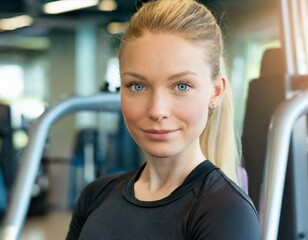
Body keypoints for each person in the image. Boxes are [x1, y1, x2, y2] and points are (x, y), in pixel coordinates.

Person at [66, 0, 262, 239]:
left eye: (182, 86)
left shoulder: (226, 212)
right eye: (137, 86)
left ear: (216, 91)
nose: (157, 110)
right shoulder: (95, 196)